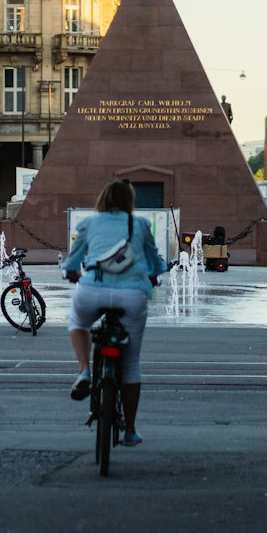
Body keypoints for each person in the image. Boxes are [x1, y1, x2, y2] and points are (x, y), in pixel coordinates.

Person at [61, 179, 166, 448]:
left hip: (92, 290)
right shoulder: (140, 224)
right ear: (130, 200)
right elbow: (155, 261)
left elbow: (73, 260)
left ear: (103, 199)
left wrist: (72, 272)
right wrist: (154, 275)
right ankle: (130, 430)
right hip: (132, 295)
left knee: (78, 323)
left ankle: (84, 370)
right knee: (130, 364)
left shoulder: (89, 223)